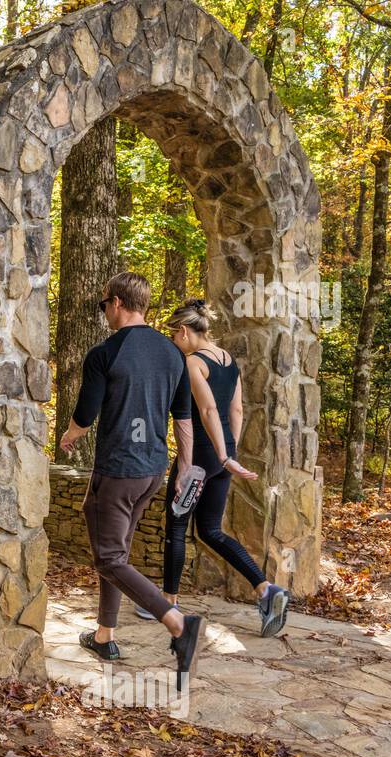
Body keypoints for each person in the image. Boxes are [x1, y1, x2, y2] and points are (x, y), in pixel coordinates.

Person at [58, 272, 206, 690]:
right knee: (115, 551)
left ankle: (177, 622)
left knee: (108, 559)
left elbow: (86, 414)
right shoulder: (171, 353)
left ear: (119, 303)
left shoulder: (106, 352)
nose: (103, 311)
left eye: (104, 303)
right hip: (153, 471)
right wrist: (184, 471)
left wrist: (69, 435)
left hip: (119, 469)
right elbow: (184, 418)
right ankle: (104, 636)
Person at [132, 299, 290, 638]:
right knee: (210, 531)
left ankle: (168, 603)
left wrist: (218, 455)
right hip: (220, 459)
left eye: (175, 335)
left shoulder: (192, 363)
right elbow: (236, 411)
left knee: (176, 525)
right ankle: (265, 589)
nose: (174, 341)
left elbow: (205, 412)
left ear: (186, 332)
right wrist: (230, 451)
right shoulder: (228, 360)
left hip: (203, 459)